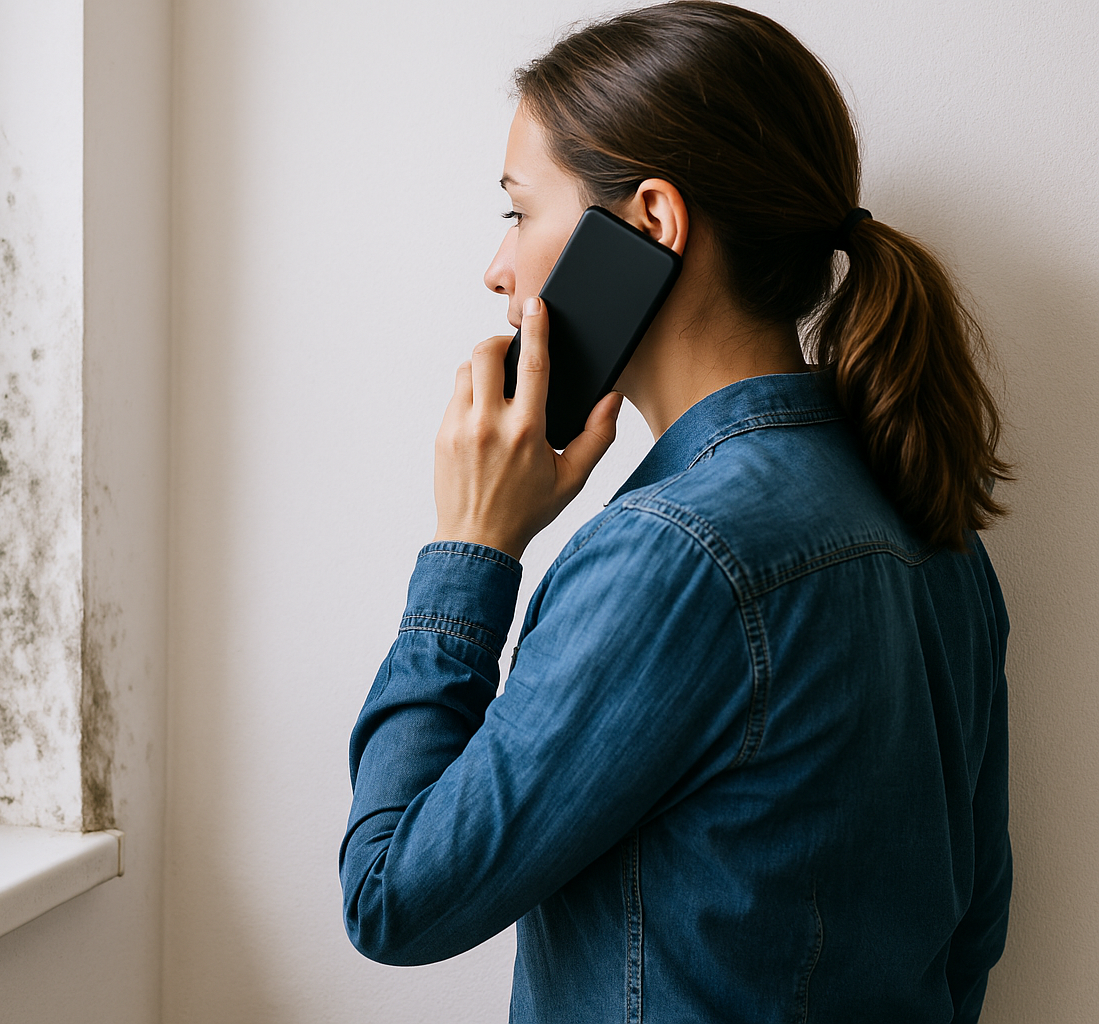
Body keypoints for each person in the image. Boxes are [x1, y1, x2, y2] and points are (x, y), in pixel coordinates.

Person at [338, 3, 1013, 1022]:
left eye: (520, 211)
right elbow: (971, 937)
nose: (497, 268)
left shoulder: (673, 557)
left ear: (651, 221)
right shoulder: (933, 520)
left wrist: (470, 548)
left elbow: (392, 897)